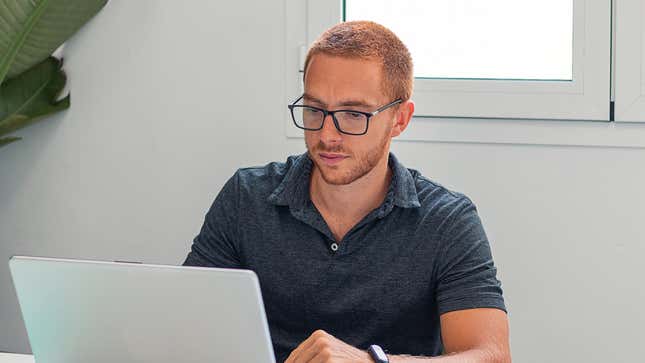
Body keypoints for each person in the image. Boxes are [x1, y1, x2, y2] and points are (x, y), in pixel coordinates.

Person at [184, 21, 510, 363]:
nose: (327, 135)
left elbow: (491, 356)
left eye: (353, 114)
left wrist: (371, 362)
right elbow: (186, 321)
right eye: (314, 110)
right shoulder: (245, 198)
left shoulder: (447, 220)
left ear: (400, 118)